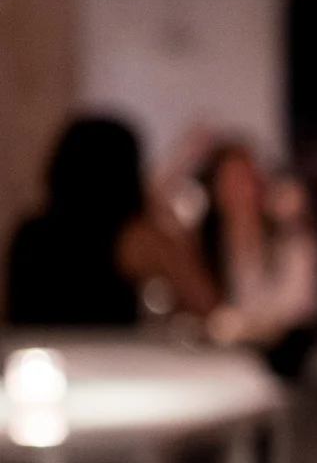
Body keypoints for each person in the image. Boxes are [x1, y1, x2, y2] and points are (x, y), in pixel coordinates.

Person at [6, 115, 217, 327]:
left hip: (31, 348)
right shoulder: (134, 239)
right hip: (105, 348)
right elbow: (206, 307)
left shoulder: (28, 233)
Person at [198, 142, 317, 356]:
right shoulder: (206, 244)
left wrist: (240, 327)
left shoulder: (292, 242)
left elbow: (295, 311)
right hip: (218, 355)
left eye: (243, 179)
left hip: (279, 354)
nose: (237, 190)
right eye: (228, 181)